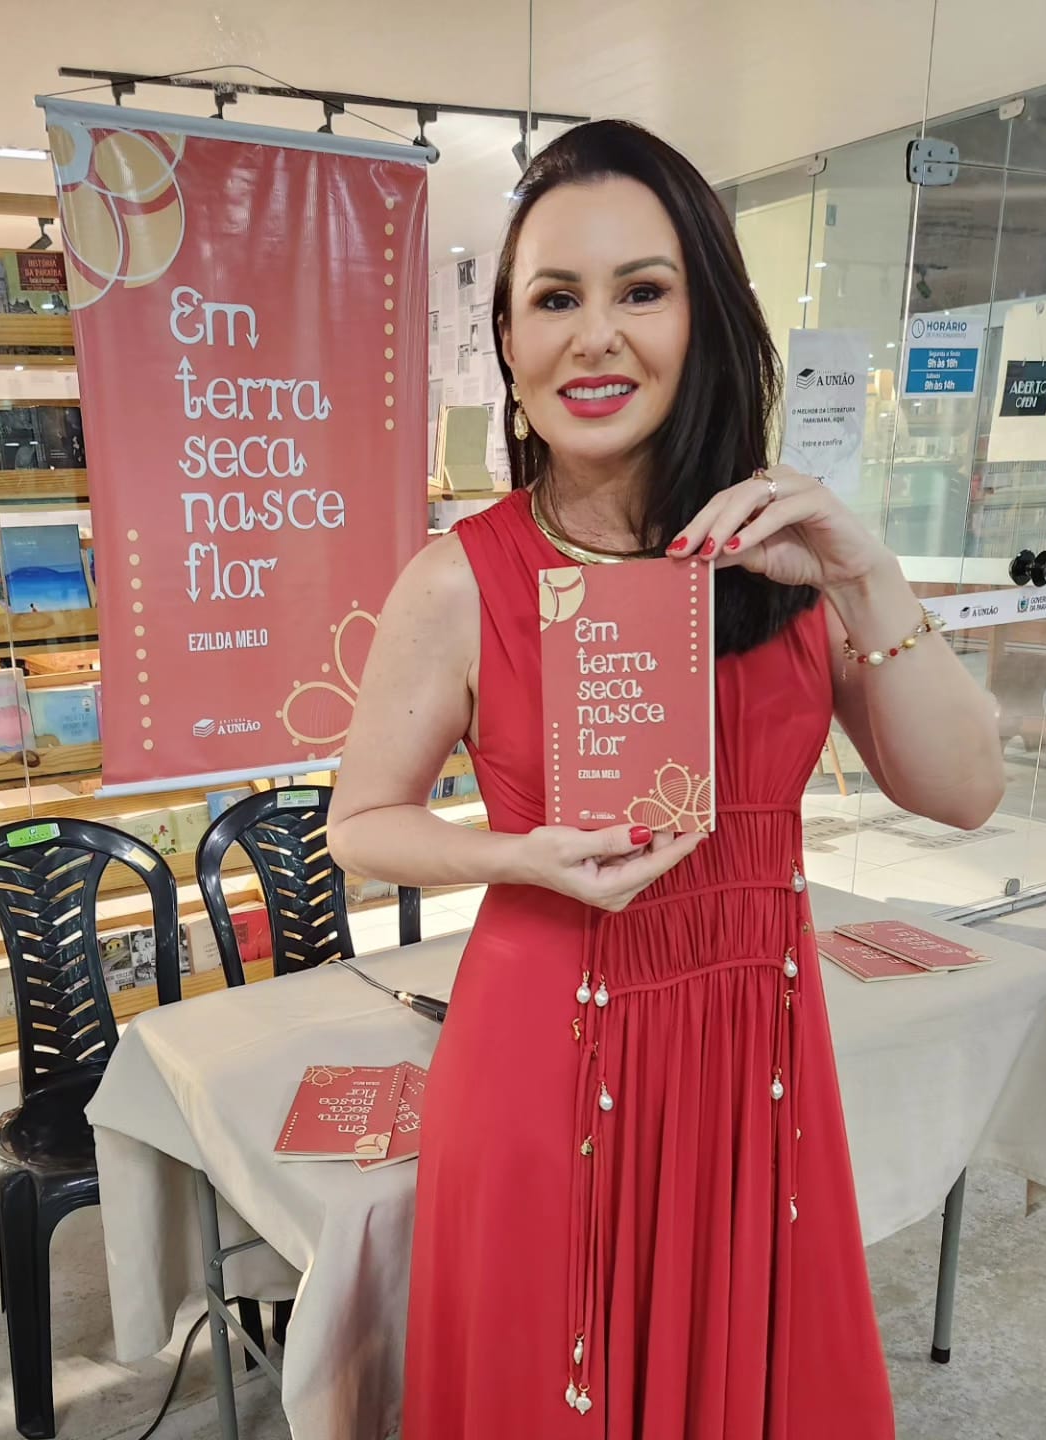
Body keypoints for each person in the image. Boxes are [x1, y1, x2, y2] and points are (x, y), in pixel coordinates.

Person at [328, 119, 1004, 1439]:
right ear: (508, 341)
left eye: (642, 291)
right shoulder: (459, 580)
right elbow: (361, 822)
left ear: (706, 317)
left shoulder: (788, 559)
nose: (596, 337)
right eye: (554, 299)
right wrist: (514, 856)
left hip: (758, 1056)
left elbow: (966, 791)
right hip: (544, 1049)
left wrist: (866, 574)